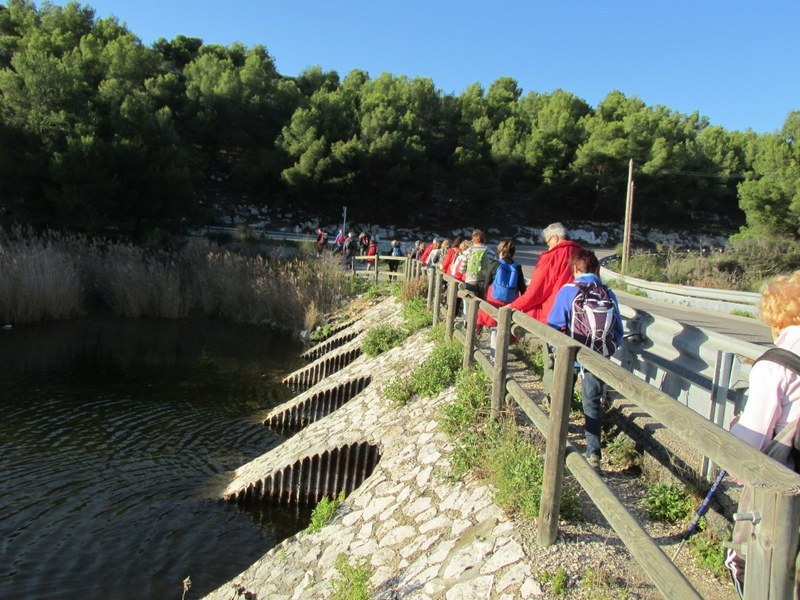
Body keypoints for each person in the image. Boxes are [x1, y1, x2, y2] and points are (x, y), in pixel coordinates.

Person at [725, 271, 800, 597]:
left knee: (748, 557)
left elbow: (752, 437)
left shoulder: (774, 364)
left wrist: (731, 446)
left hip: (782, 480)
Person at [547, 249, 623, 470]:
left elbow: (554, 325)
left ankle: (557, 446)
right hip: (598, 355)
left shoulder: (569, 290)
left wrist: (558, 351)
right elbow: (618, 329)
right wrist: (607, 349)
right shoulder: (608, 292)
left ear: (575, 269)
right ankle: (594, 454)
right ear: (597, 269)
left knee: (562, 399)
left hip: (571, 355)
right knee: (592, 404)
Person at [508, 222, 582, 323]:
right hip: (578, 315)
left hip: (554, 315)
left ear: (555, 238)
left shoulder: (552, 257)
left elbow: (536, 292)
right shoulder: (584, 255)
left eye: (548, 242)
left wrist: (513, 306)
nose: (548, 246)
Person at [478, 240, 528, 361]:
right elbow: (522, 288)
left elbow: (486, 284)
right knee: (506, 328)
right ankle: (503, 355)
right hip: (511, 301)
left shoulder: (495, 264)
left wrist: (484, 297)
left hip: (495, 300)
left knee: (495, 328)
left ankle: (494, 357)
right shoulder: (517, 267)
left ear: (501, 251)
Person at [458, 229, 494, 298]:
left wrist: (467, 273)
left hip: (470, 281)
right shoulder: (490, 252)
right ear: (484, 240)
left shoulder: (468, 252)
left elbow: (461, 270)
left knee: (470, 304)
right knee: (482, 305)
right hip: (485, 282)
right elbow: (494, 267)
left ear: (472, 240)